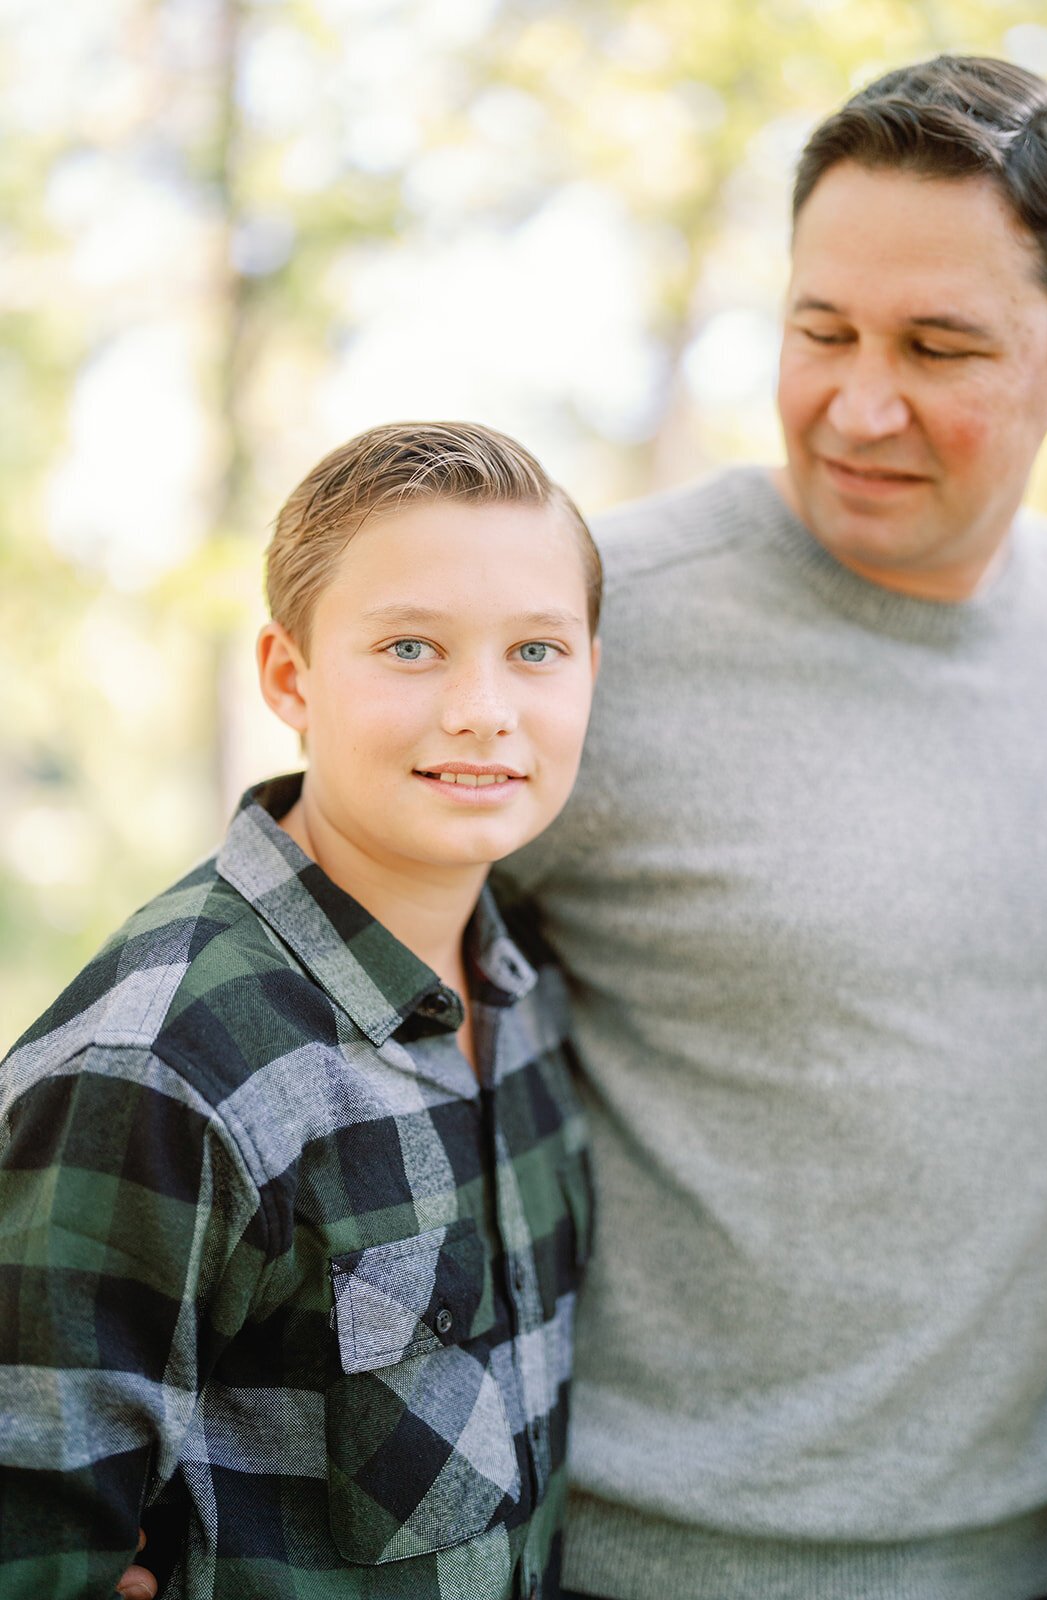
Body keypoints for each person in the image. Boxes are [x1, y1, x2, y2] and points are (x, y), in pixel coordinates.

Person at [492, 55, 1047, 1600]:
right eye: (818, 332)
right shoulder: (582, 630)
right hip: (639, 1566)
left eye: (937, 346)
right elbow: (264, 995)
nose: (856, 403)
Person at [0, 421, 601, 1600]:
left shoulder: (532, 991)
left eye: (536, 650)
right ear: (290, 677)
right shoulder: (163, 1063)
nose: (483, 708)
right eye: (411, 647)